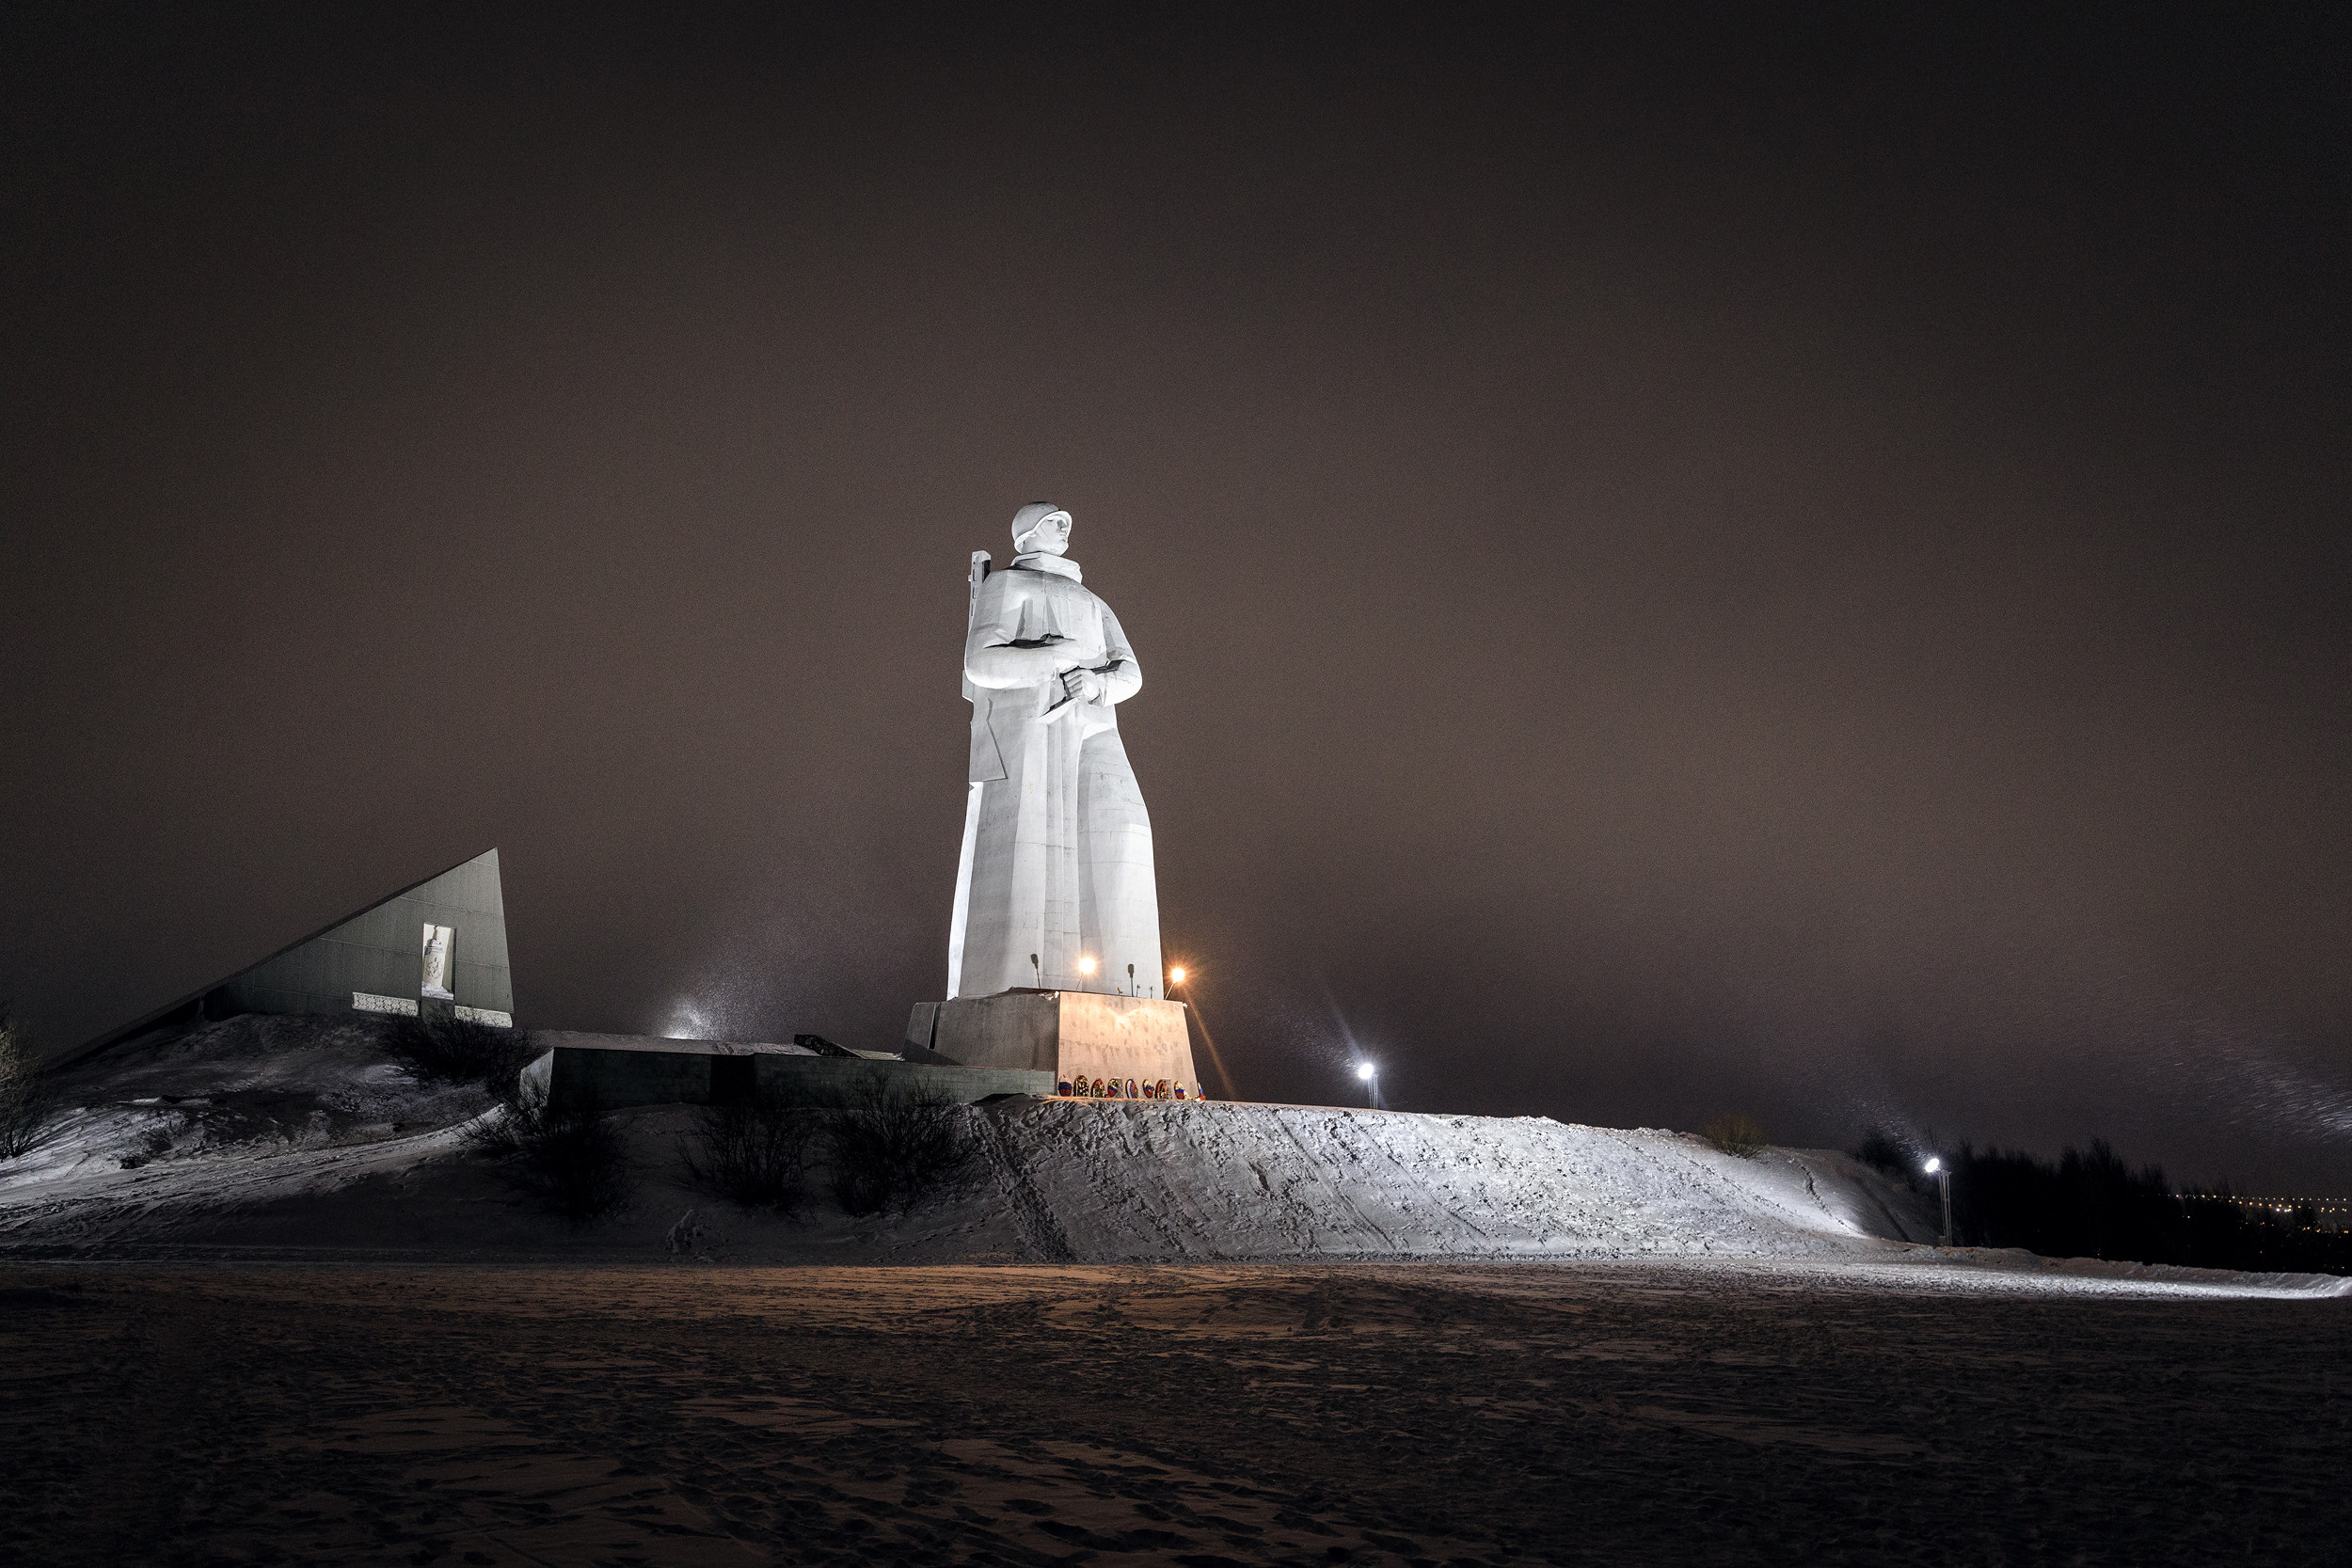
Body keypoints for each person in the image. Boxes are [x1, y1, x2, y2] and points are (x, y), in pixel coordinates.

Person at [946, 503, 1166, 1000]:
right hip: (1035, 724)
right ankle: (1014, 982)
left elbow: (1131, 672)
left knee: (1127, 826)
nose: (1064, 527)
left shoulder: (1094, 602)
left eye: (1066, 521)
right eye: (1052, 520)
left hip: (1095, 724)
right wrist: (1055, 657)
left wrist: (1096, 681)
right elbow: (980, 661)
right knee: (1031, 842)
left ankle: (1132, 987)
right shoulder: (1007, 584)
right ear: (1025, 534)